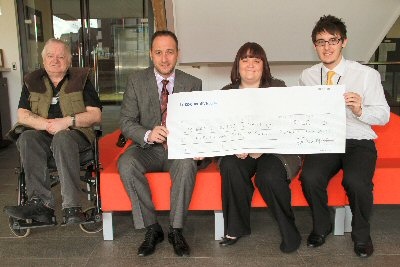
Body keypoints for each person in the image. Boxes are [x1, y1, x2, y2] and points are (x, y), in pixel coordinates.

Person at [299, 15, 390, 258]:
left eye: (333, 40)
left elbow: (383, 115)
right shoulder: (307, 76)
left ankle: (361, 235)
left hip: (357, 138)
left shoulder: (365, 75)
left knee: (357, 182)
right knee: (309, 177)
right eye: (321, 42)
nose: (327, 47)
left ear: (344, 42)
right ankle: (322, 225)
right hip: (326, 140)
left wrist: (361, 110)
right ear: (314, 46)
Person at [117, 30, 202, 257]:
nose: (164, 59)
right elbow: (126, 121)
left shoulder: (193, 83)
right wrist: (147, 133)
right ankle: (152, 228)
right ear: (151, 55)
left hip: (179, 149)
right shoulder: (136, 81)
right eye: (158, 53)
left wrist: (198, 147)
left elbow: (200, 122)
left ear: (178, 54)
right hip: (148, 149)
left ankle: (175, 230)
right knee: (126, 163)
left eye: (169, 52)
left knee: (186, 165)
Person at [4, 38, 102, 225]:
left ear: (69, 60)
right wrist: (47, 125)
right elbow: (23, 115)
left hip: (75, 138)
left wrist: (67, 122)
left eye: (60, 56)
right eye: (50, 56)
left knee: (62, 138)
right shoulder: (31, 81)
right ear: (43, 60)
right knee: (26, 138)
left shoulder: (81, 79)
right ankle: (41, 205)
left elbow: (96, 115)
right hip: (43, 136)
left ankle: (73, 206)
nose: (55, 60)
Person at [218, 42, 302, 253]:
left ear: (264, 65)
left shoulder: (278, 87)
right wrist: (234, 144)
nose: (250, 65)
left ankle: (289, 229)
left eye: (256, 60)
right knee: (230, 165)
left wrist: (263, 146)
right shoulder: (226, 92)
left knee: (269, 176)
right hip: (241, 151)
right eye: (245, 60)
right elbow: (220, 128)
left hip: (275, 149)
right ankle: (235, 228)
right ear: (237, 65)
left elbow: (288, 124)